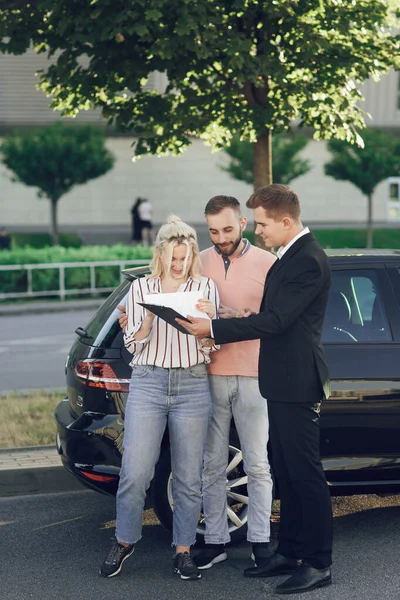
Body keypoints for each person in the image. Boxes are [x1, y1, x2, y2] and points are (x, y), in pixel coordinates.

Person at [177, 184, 333, 595]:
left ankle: (318, 563)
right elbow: (268, 315)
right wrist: (231, 314)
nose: (258, 232)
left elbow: (277, 321)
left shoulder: (309, 260)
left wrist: (215, 327)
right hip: (278, 381)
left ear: (286, 221)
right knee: (284, 470)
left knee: (305, 475)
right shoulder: (289, 256)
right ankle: (290, 553)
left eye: (262, 224)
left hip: (298, 382)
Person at [118, 196, 276, 568]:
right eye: (214, 231)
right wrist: (142, 318)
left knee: (226, 469)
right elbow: (139, 331)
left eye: (227, 229)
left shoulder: (237, 275)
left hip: (223, 377)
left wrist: (222, 321)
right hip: (178, 378)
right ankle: (145, 541)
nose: (179, 264)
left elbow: (228, 336)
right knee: (171, 469)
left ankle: (223, 546)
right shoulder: (168, 275)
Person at [100, 215, 219, 581]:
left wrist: (211, 325)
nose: (179, 265)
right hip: (149, 383)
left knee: (187, 475)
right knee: (135, 471)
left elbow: (212, 346)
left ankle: (182, 551)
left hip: (193, 384)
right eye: (173, 259)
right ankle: (124, 541)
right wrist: (150, 318)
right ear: (161, 255)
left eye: (185, 258)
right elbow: (134, 345)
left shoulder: (205, 288)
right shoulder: (141, 289)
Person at [193, 196, 276, 570]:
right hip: (210, 374)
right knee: (212, 463)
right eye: (213, 231)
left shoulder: (268, 262)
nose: (220, 237)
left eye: (227, 229)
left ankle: (260, 540)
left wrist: (238, 317)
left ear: (243, 223)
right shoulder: (199, 261)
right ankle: (215, 540)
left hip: (256, 373)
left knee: (257, 463)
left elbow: (277, 319)